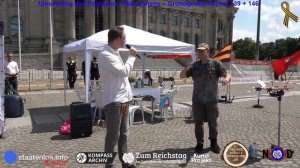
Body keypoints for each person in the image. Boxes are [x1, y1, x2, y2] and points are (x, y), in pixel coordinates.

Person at [180, 43, 231, 154]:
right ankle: (200, 143)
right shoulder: (194, 65)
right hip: (197, 100)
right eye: (199, 51)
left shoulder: (216, 64)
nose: (200, 53)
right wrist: (185, 68)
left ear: (208, 51)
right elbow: (182, 76)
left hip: (211, 100)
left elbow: (227, 74)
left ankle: (213, 143)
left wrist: (226, 79)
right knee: (198, 123)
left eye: (202, 51)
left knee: (213, 123)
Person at [98, 26, 138, 168]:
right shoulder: (105, 55)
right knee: (113, 136)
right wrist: (132, 57)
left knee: (124, 133)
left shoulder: (115, 53)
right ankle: (108, 164)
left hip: (123, 101)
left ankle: (126, 162)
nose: (126, 41)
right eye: (124, 38)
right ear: (117, 39)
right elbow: (123, 72)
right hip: (115, 102)